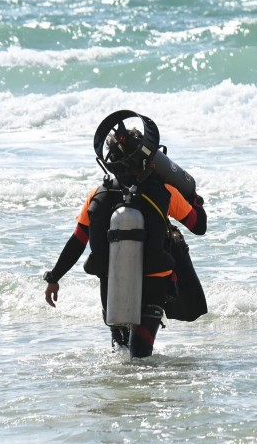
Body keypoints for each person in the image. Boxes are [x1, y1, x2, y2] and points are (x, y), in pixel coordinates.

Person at [43, 116, 207, 358]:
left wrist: (54, 277)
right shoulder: (165, 193)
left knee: (119, 355)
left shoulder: (99, 194)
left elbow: (78, 240)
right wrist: (195, 200)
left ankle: (118, 394)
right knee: (139, 357)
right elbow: (198, 225)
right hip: (154, 281)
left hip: (114, 282)